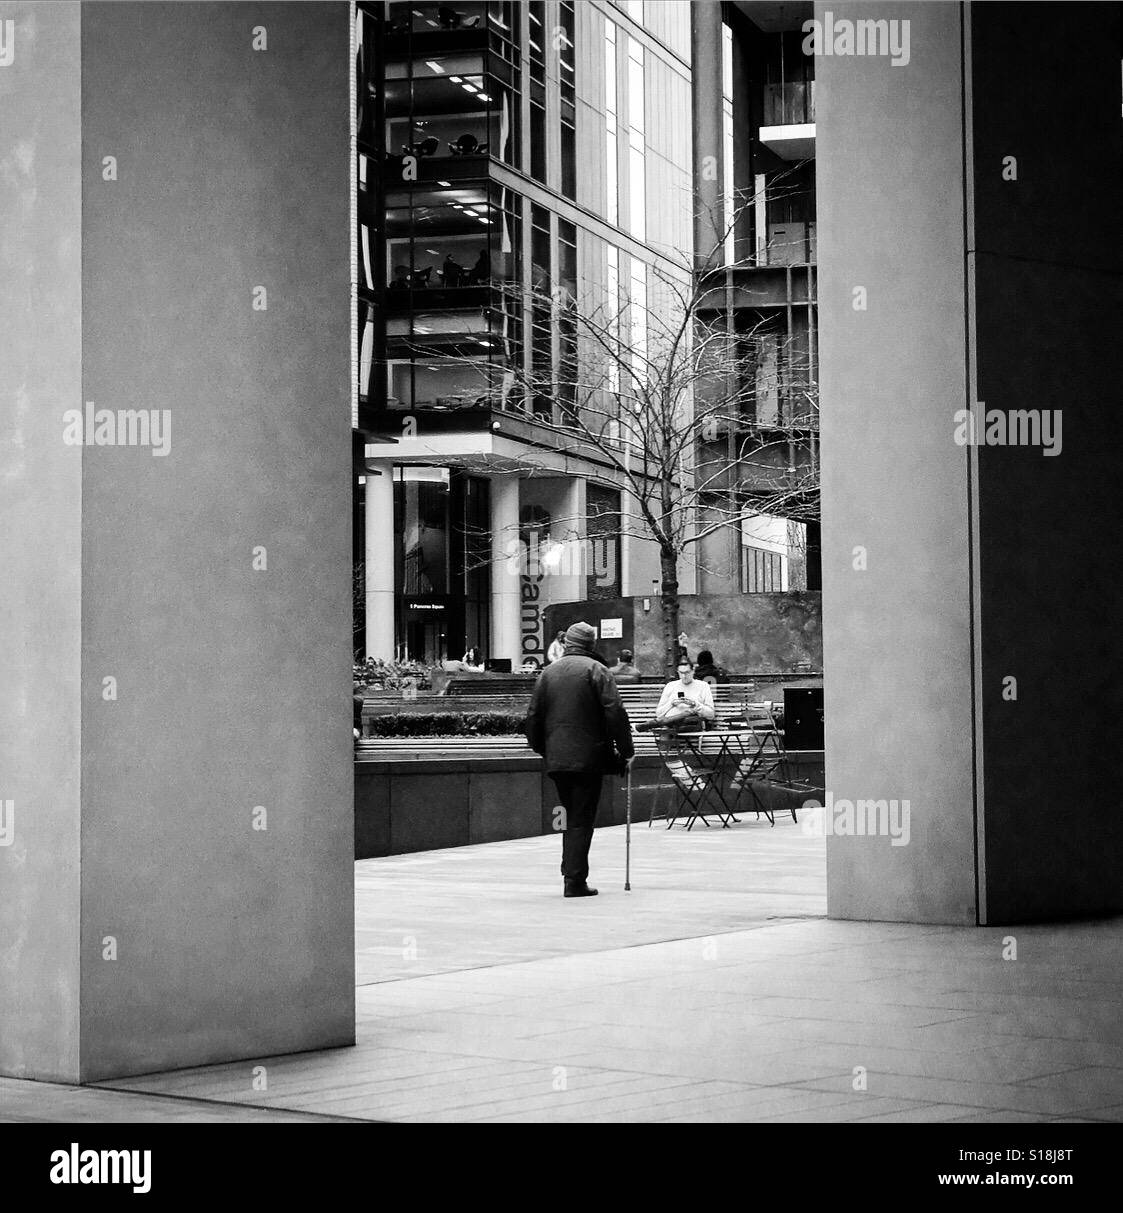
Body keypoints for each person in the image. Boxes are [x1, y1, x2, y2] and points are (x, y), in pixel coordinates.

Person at [524, 622, 634, 898]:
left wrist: (543, 749)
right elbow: (615, 712)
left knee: (572, 814)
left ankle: (570, 872)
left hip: (558, 759)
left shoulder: (548, 673)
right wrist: (627, 750)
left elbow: (533, 715)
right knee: (581, 818)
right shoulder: (597, 670)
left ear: (568, 643)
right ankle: (574, 880)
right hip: (589, 758)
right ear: (591, 644)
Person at [655, 660, 716, 731]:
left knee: (684, 717)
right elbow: (659, 714)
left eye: (687, 672)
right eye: (681, 673)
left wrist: (695, 704)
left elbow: (711, 715)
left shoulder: (703, 686)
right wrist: (671, 703)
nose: (684, 676)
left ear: (693, 671)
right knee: (666, 734)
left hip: (691, 724)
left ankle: (653, 724)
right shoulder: (670, 686)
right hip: (670, 727)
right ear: (678, 672)